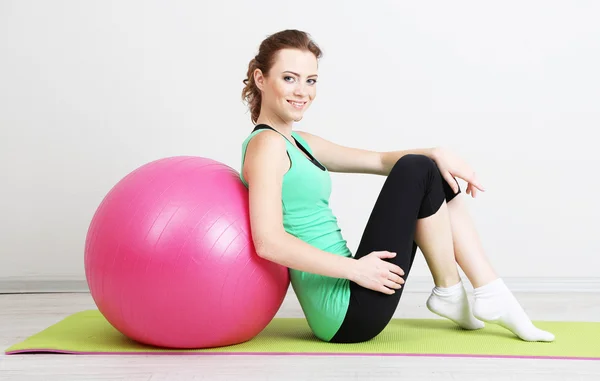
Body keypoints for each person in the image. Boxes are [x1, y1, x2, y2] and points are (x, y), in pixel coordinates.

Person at [239, 29, 555, 344]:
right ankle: (474, 291)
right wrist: (355, 270)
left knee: (428, 168)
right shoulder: (266, 145)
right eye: (290, 78)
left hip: (355, 291)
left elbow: (377, 161)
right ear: (261, 78)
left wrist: (437, 152)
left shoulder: (298, 142)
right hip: (345, 312)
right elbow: (268, 242)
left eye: (311, 80)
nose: (303, 92)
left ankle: (465, 290)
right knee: (418, 168)